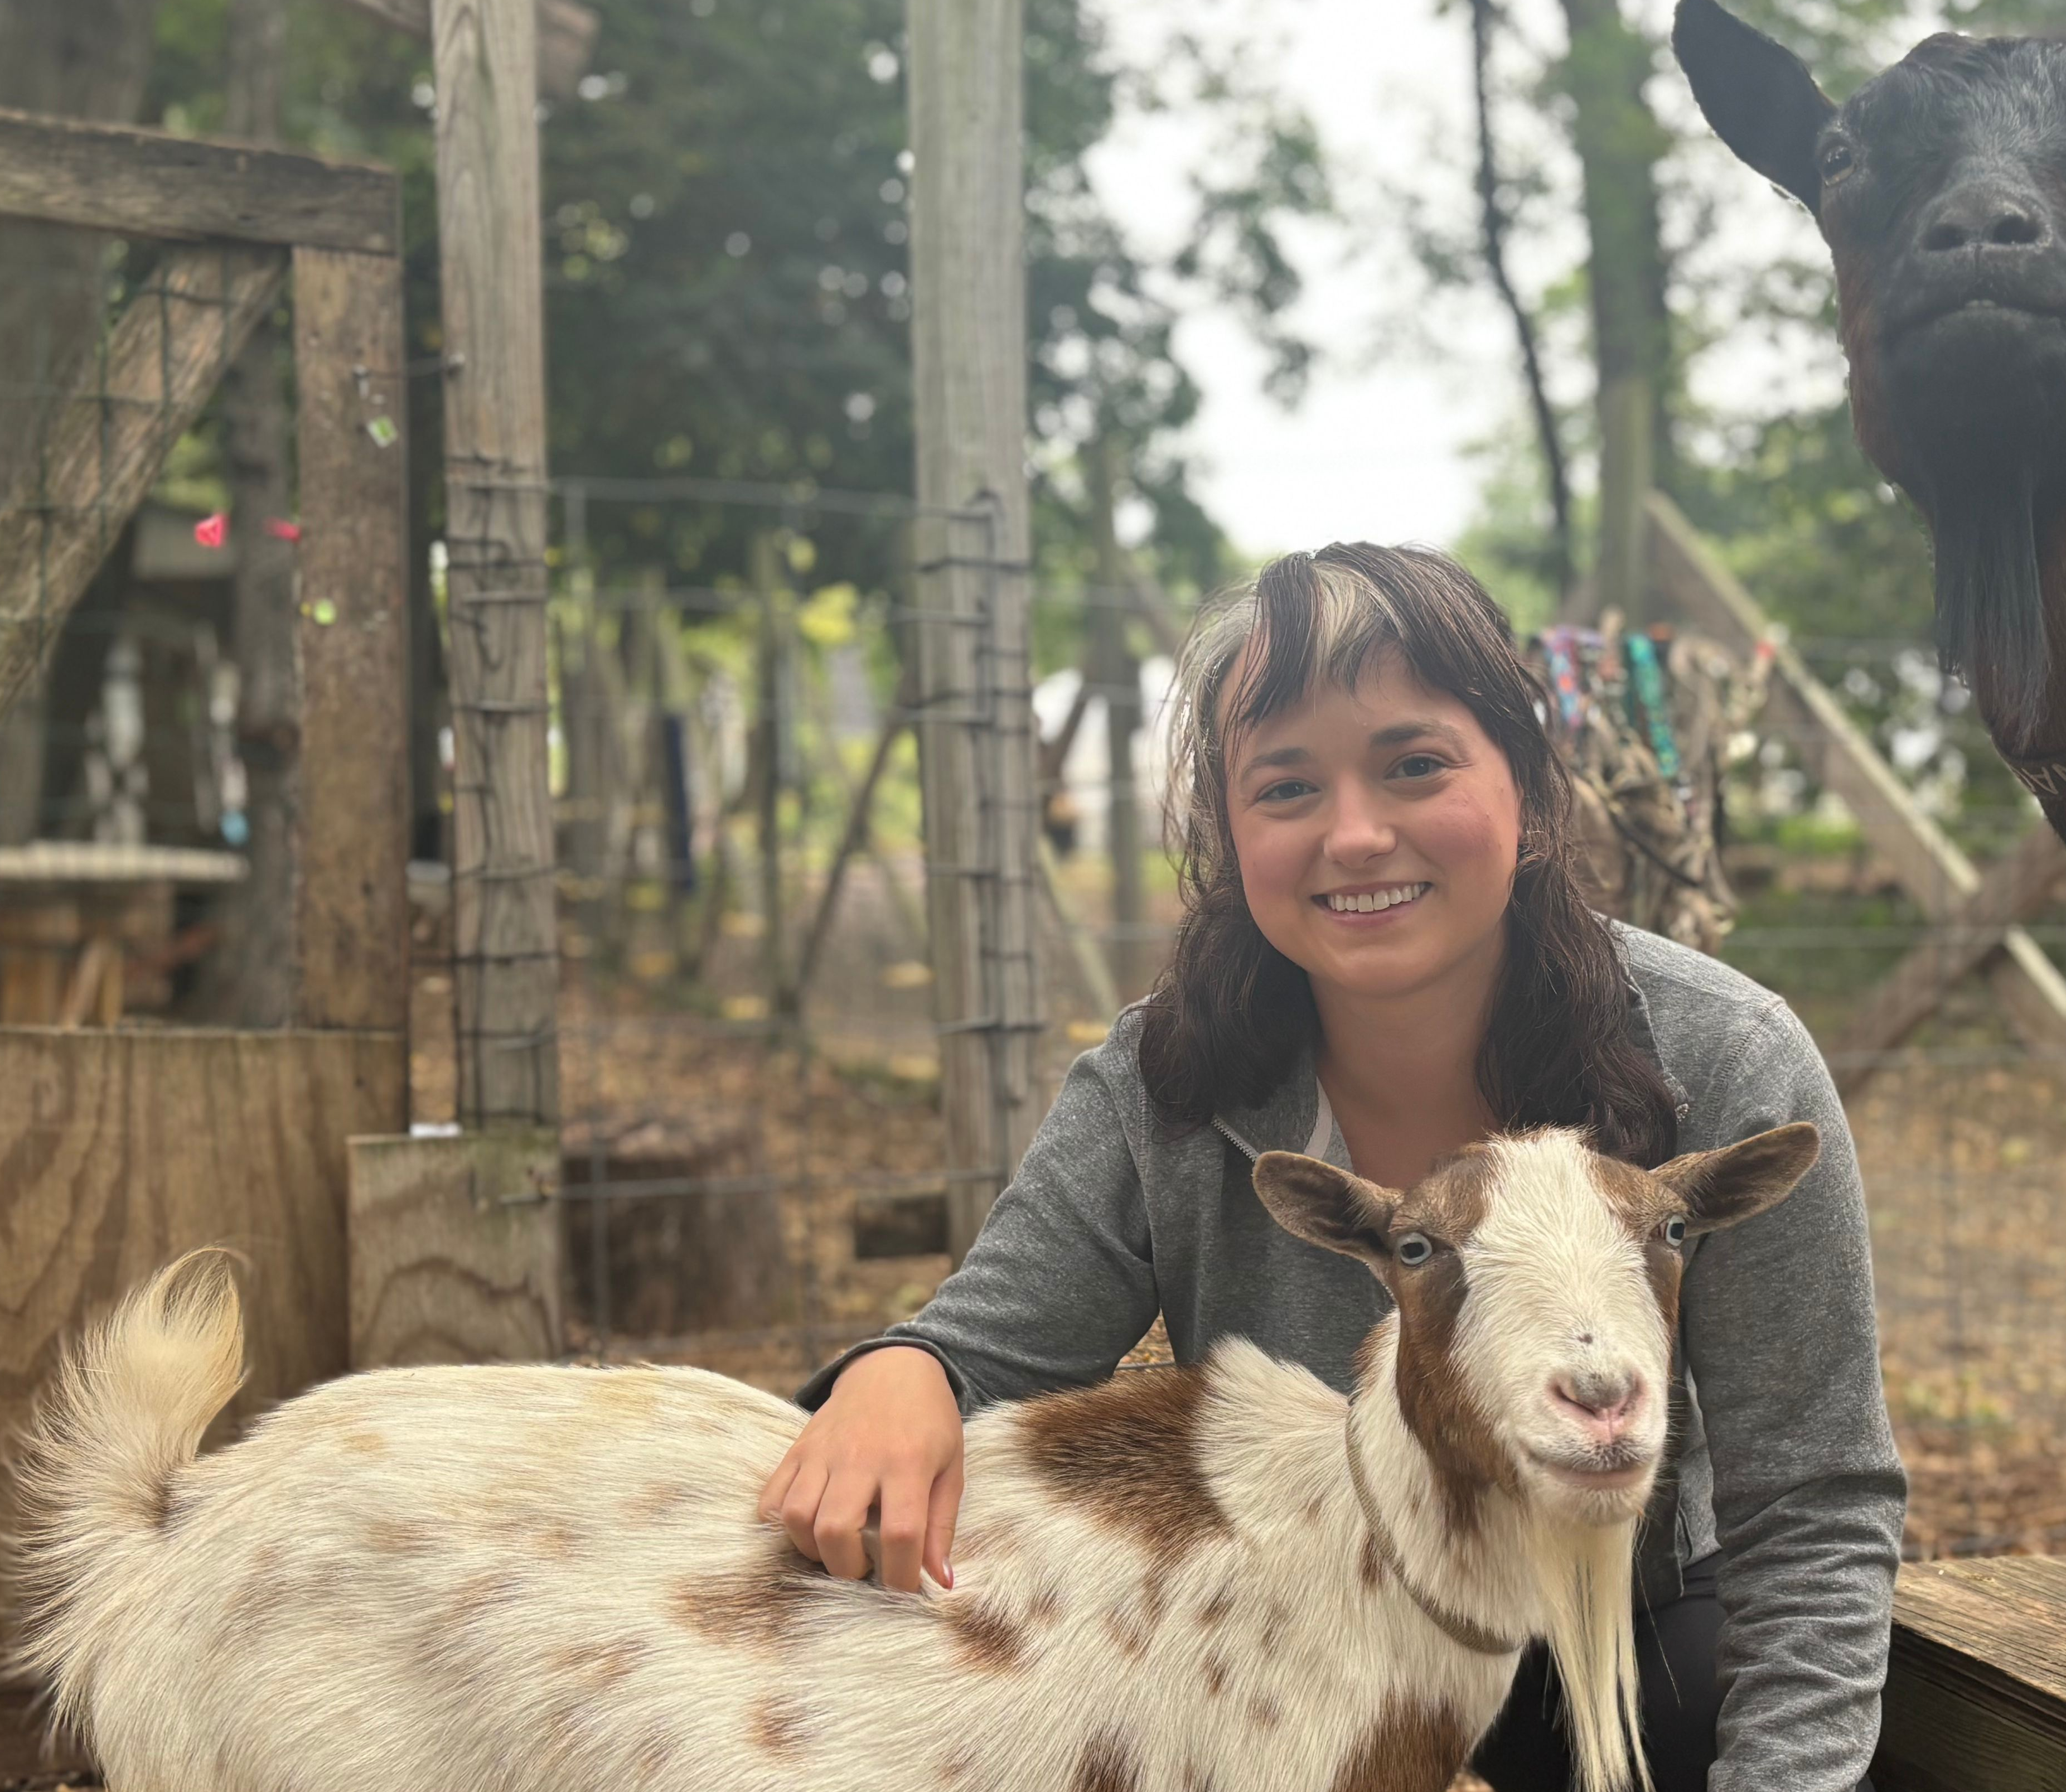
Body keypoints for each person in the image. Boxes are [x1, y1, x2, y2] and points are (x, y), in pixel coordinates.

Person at [759, 543, 1902, 1791]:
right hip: (1289, 1671)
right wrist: (906, 1367)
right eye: (1287, 786)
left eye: (1415, 765)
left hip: (1617, 1645)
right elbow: (983, 1355)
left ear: (1528, 785)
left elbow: (1814, 1501)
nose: (1356, 835)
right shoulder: (1165, 1080)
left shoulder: (1724, 1059)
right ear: (1228, 830)